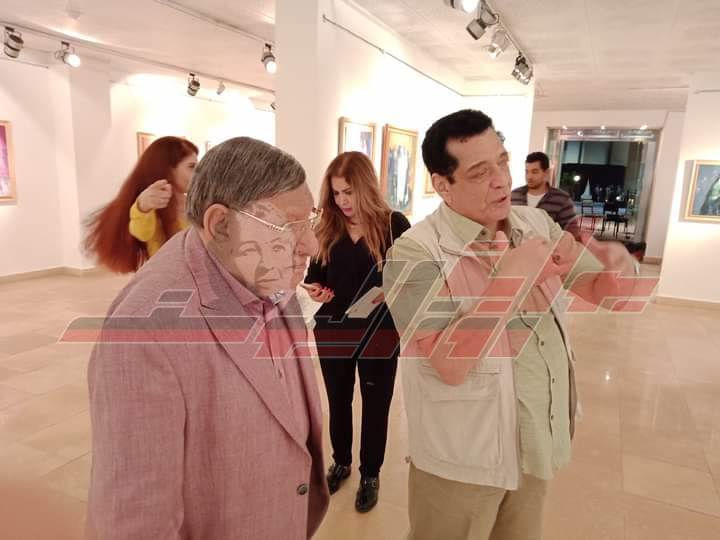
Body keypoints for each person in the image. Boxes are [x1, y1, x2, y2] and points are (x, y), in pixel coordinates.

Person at [383, 110, 638, 540]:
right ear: (442, 185)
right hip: (464, 457)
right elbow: (449, 364)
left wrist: (618, 268)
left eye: (502, 161)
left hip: (534, 438)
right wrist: (511, 280)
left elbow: (602, 292)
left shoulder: (534, 224)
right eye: (480, 172)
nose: (501, 180)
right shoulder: (415, 253)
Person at [87, 137, 329, 539]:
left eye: (311, 221)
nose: (312, 245)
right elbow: (135, 520)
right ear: (220, 224)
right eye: (289, 227)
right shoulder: (145, 332)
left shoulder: (265, 272)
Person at [304, 151, 410, 513]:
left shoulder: (394, 225)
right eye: (336, 193)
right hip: (334, 329)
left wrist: (393, 292)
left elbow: (412, 278)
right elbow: (314, 278)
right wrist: (315, 291)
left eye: (348, 192)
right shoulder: (327, 228)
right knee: (338, 401)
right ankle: (341, 462)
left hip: (380, 332)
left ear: (365, 187)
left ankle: (370, 474)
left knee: (376, 405)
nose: (342, 201)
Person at [85, 136, 198, 273]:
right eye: (191, 167)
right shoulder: (152, 207)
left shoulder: (195, 204)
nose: (198, 173)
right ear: (168, 170)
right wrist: (142, 207)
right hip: (167, 278)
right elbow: (141, 232)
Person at [512, 151, 579, 237]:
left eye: (534, 172)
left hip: (550, 245)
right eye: (527, 172)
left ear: (546, 172)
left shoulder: (562, 200)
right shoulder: (514, 195)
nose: (529, 176)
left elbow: (572, 234)